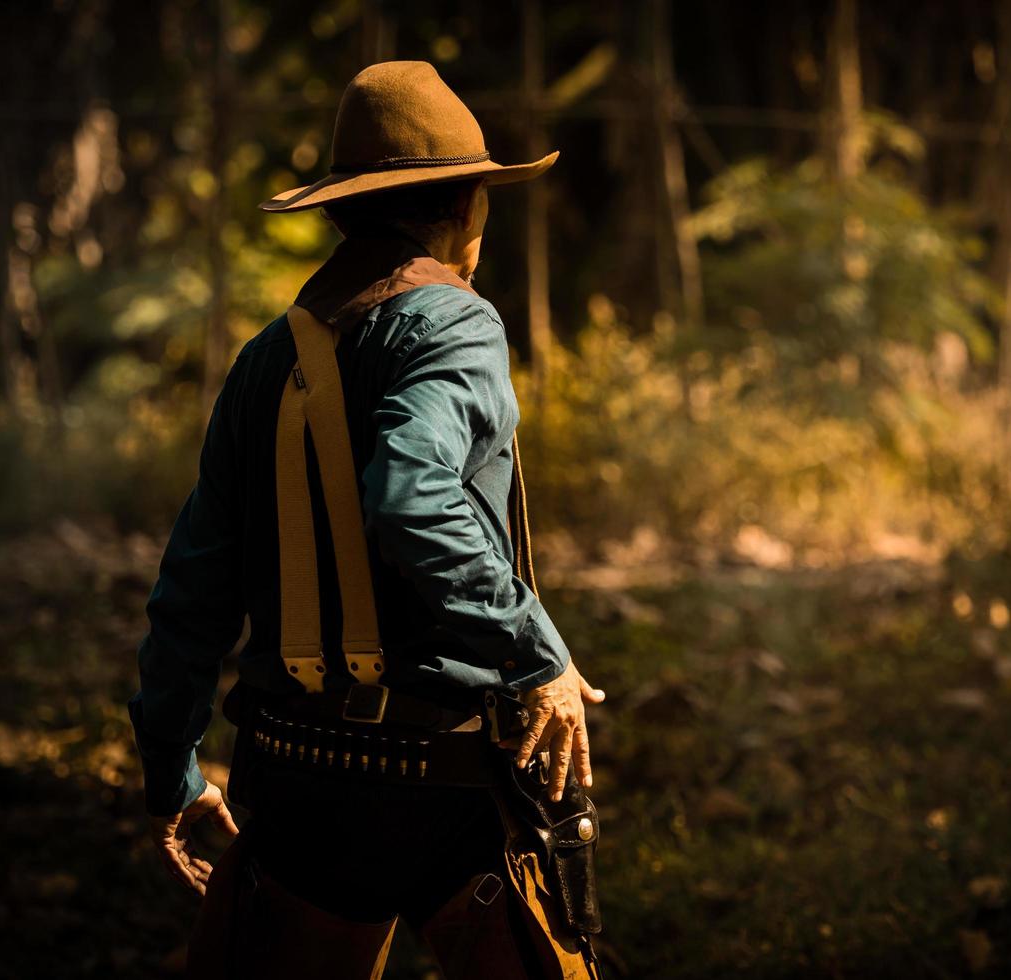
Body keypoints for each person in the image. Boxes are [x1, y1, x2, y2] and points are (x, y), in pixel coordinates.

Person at [127, 61, 605, 978]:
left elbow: (191, 587)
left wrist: (172, 770)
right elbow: (411, 489)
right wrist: (533, 652)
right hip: (452, 786)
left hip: (299, 783)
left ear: (341, 213)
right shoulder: (456, 324)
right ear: (469, 204)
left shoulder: (265, 359)